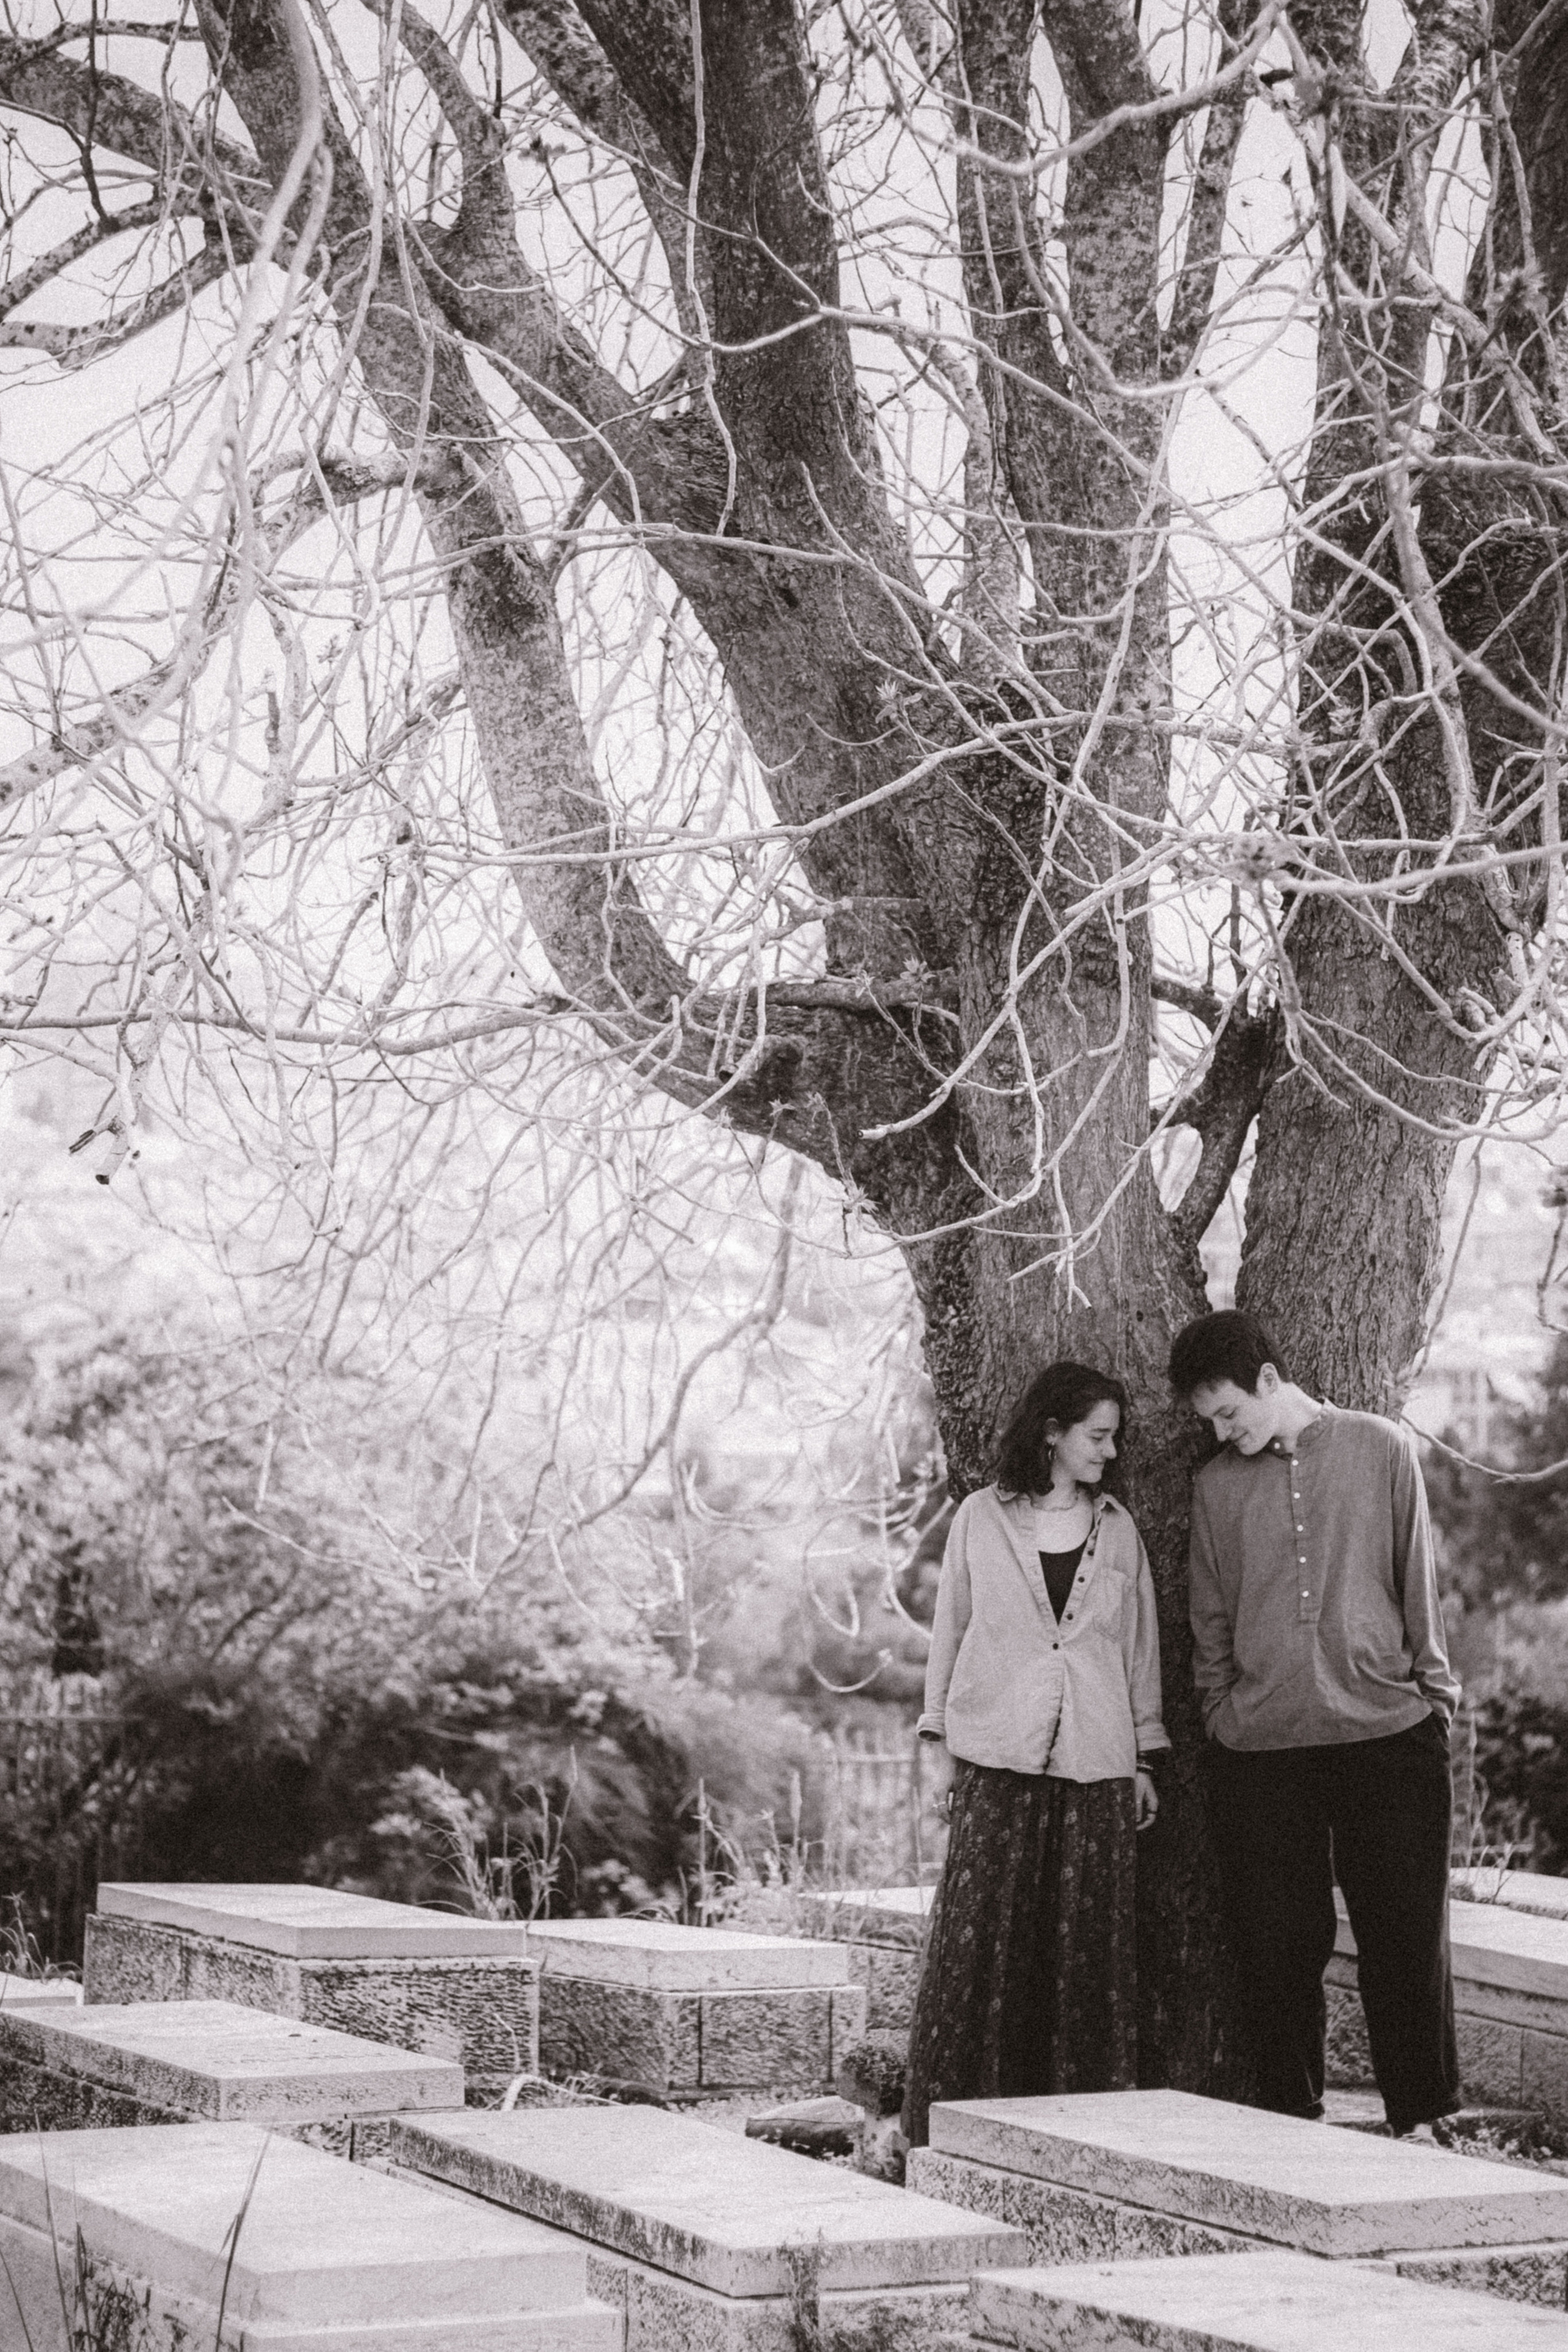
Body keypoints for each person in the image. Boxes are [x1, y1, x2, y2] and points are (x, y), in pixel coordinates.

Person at [1169, 1308, 1461, 2140]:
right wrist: (1223, 1714)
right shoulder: (1215, 1486)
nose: (1224, 1432)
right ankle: (1289, 2123)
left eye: (1230, 1412)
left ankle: (1425, 2121)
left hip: (1388, 1734)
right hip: (1262, 1751)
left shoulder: (1380, 1448)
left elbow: (1418, 1581)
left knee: (1405, 1940)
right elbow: (1210, 1617)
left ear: (1270, 1379)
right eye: (1210, 1422)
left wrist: (1433, 1700)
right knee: (1278, 1945)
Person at [902, 1361, 1169, 2147]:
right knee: (980, 1950)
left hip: (1096, 1764)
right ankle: (956, 2132)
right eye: (1096, 1435)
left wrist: (1144, 1757)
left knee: (1084, 1956)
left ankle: (1075, 2137)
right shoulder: (981, 1519)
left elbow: (1139, 1649)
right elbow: (950, 1627)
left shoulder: (1118, 1528)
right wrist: (937, 1741)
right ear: (1051, 1433)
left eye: (1114, 1437)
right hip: (994, 1755)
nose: (1109, 1452)